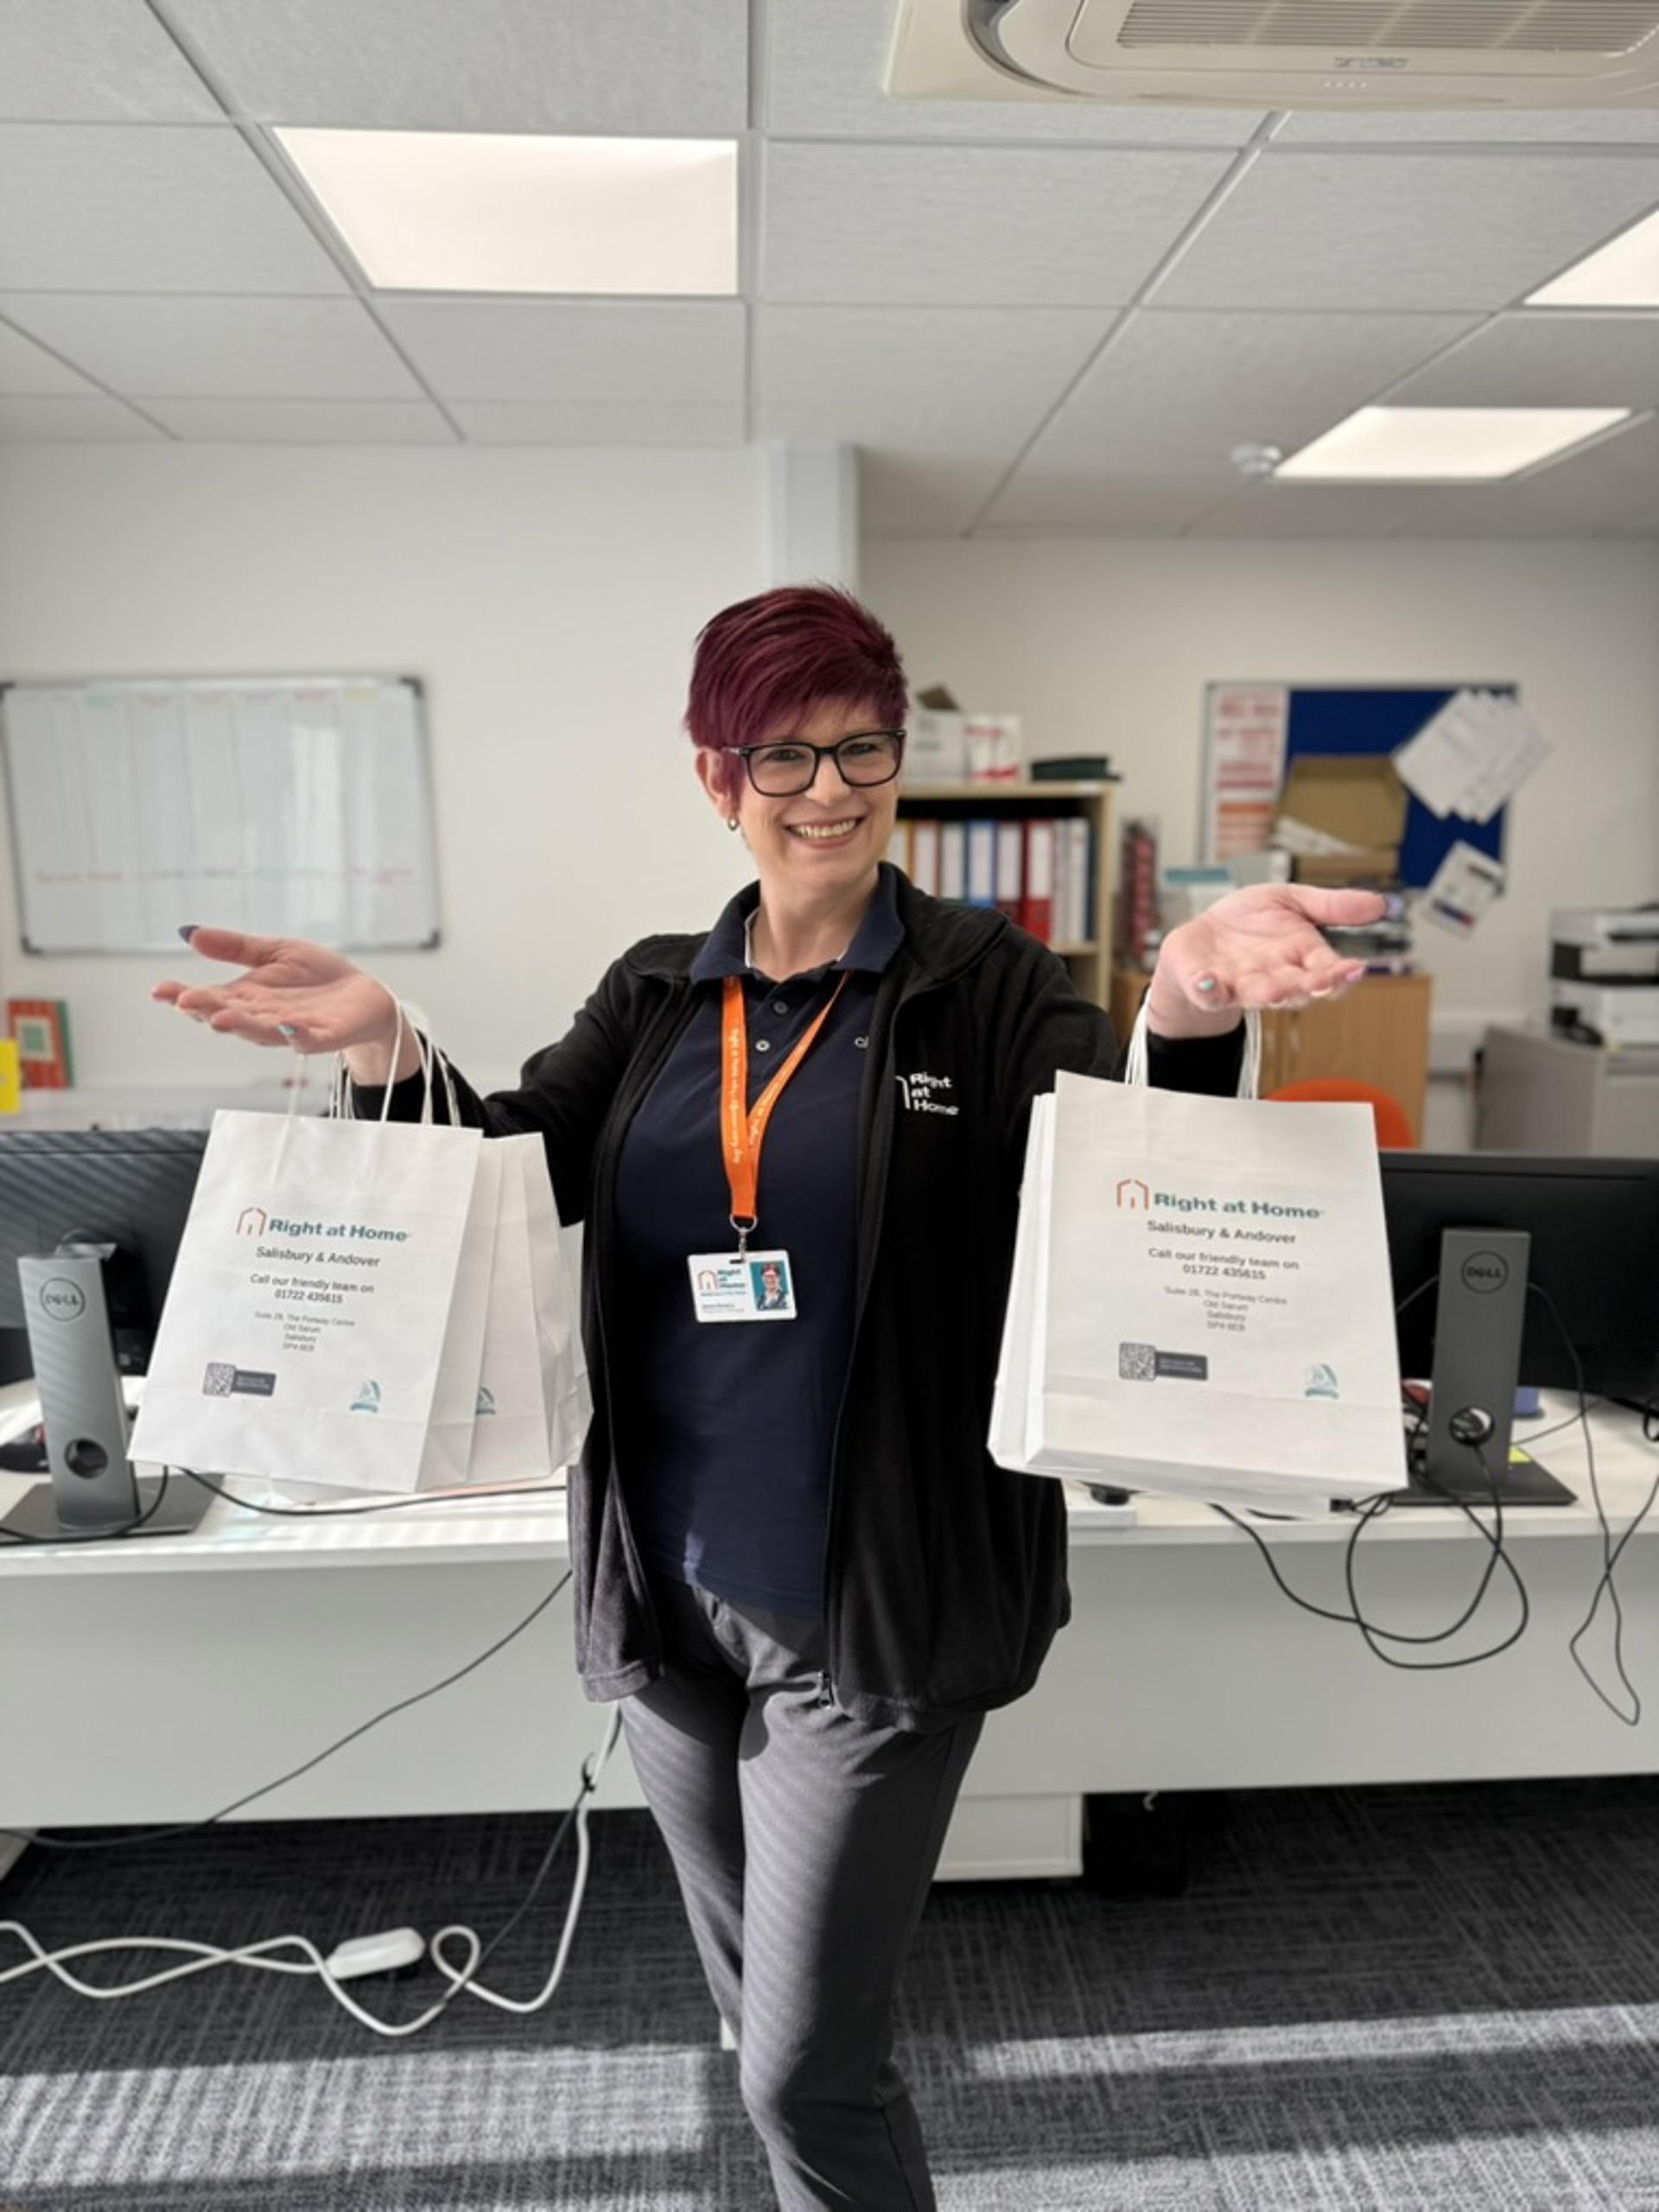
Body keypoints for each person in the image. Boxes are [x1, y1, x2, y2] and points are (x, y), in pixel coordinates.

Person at [156, 585, 1385, 2211]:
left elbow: (1116, 1170)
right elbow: (513, 1166)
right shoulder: (659, 993)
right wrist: (391, 1055)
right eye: (783, 755)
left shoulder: (985, 987)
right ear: (715, 777)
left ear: (898, 759)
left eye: (859, 747)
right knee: (771, 2038)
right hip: (670, 1602)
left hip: (878, 1613)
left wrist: (1183, 1013)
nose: (828, 789)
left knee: (799, 2064)